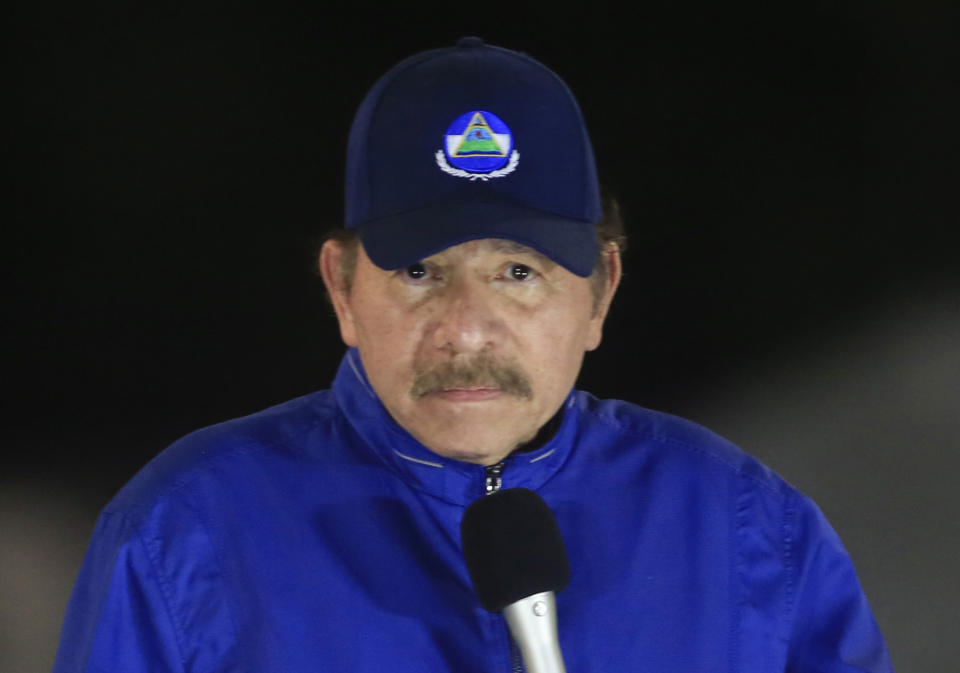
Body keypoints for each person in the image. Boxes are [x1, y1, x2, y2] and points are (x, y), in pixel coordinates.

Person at [53, 37, 893, 672]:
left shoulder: (752, 532)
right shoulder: (183, 532)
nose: (467, 329)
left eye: (518, 272)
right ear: (343, 289)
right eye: (420, 271)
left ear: (600, 290)